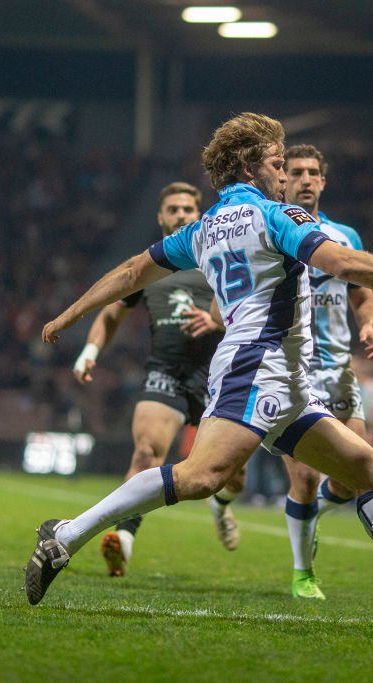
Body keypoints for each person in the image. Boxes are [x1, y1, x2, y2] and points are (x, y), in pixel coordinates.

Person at [24, 112, 373, 616]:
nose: (284, 173)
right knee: (200, 477)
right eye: (277, 163)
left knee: (368, 467)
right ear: (251, 167)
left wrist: (70, 314)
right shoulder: (277, 217)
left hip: (286, 379)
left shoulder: (204, 228)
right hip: (258, 365)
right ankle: (65, 536)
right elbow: (345, 264)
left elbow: (130, 272)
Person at [71, 182, 241, 577]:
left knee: (232, 478)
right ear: (161, 217)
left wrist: (216, 319)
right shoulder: (150, 266)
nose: (182, 214)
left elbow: (251, 304)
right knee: (147, 454)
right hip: (166, 370)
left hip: (220, 375)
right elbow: (112, 313)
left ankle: (223, 505)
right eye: (173, 209)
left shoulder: (218, 257)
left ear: (199, 214)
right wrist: (91, 350)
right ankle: (124, 541)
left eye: (188, 208)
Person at [277, 144, 373, 600]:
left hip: (339, 370)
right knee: (302, 476)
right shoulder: (272, 229)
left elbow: (363, 294)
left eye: (312, 172)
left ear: (323, 181)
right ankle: (304, 574)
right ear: (283, 179)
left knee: (352, 477)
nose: (304, 178)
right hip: (290, 372)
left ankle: (313, 513)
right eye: (295, 171)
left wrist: (370, 325)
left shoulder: (345, 237)